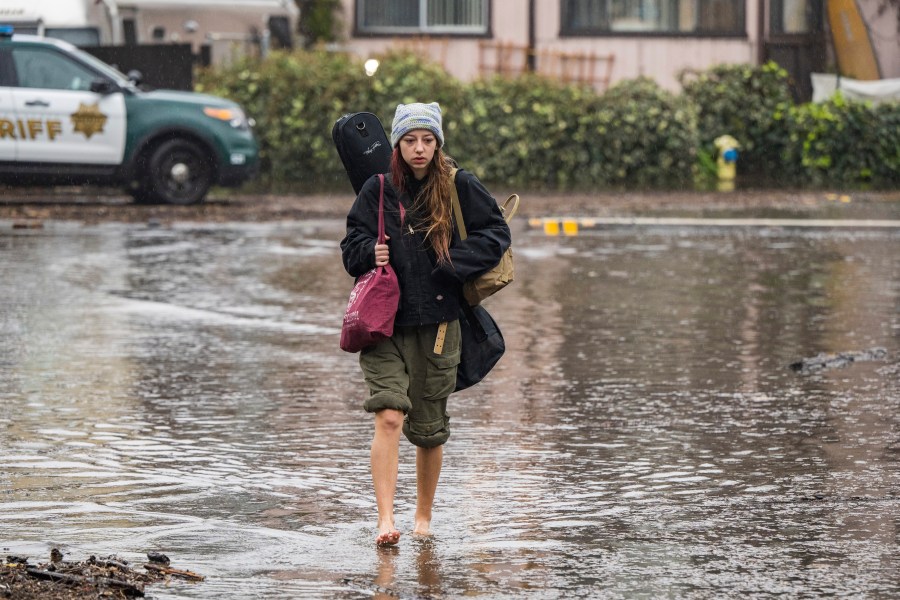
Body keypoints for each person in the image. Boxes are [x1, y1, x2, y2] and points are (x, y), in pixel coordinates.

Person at [341, 102, 511, 547]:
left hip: (439, 326)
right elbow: (350, 246)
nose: (419, 148)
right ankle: (384, 520)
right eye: (410, 140)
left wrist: (453, 263)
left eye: (428, 140)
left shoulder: (459, 185)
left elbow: (495, 234)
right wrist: (366, 255)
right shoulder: (376, 189)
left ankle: (423, 517)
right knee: (389, 414)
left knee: (430, 429)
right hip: (384, 325)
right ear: (396, 144)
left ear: (438, 145)